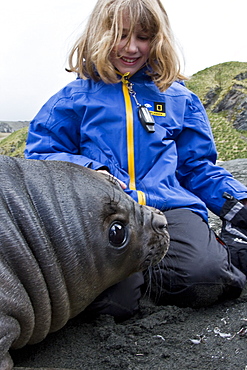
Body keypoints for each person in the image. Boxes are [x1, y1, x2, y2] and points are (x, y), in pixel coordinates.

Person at [25, 0, 247, 320]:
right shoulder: (71, 99)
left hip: (170, 208)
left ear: (157, 40)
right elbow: (40, 157)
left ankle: (221, 252)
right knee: (111, 307)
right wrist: (94, 173)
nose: (131, 47)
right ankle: (140, 279)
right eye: (121, 35)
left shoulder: (180, 97)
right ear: (99, 35)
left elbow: (197, 167)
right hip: (104, 215)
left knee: (206, 277)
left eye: (143, 37)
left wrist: (237, 203)